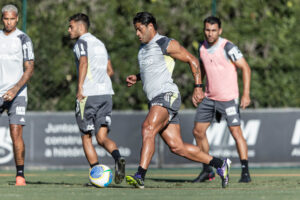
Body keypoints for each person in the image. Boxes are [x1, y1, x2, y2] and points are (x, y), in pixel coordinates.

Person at [125, 12, 231, 189]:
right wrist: (137, 77)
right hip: (156, 100)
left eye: (139, 29)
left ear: (150, 26)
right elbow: (154, 71)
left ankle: (140, 176)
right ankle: (220, 164)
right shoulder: (142, 49)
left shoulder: (164, 43)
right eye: (135, 30)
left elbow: (192, 60)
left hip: (166, 96)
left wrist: (198, 86)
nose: (137, 34)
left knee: (148, 128)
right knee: (177, 147)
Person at [192, 16, 252, 183]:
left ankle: (245, 171)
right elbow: (202, 69)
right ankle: (207, 170)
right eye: (207, 30)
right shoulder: (201, 48)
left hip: (228, 99)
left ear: (220, 31)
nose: (210, 34)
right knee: (198, 131)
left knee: (236, 132)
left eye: (213, 30)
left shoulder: (228, 47)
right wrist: (198, 87)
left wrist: (246, 94)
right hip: (209, 98)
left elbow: (245, 67)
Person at [68, 13, 125, 184]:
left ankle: (97, 173)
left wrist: (80, 88)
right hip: (106, 94)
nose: (69, 30)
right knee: (102, 137)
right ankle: (118, 158)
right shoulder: (100, 43)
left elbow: (83, 62)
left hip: (89, 95)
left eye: (71, 26)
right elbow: (110, 70)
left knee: (86, 137)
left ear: (80, 26)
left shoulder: (81, 42)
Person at [0, 4, 34, 186]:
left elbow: (29, 68)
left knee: (16, 132)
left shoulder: (23, 38)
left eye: (12, 19)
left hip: (18, 93)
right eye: (6, 18)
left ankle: (20, 175)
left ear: (17, 19)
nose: (9, 22)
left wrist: (14, 89)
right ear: (2, 18)